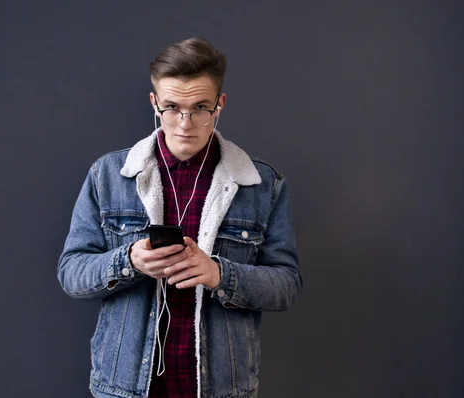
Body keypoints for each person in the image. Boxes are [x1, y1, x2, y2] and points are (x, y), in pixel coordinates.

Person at [57, 37, 303, 398]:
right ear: (155, 103)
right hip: (125, 386)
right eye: (172, 107)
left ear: (220, 104)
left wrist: (220, 274)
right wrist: (129, 261)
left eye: (200, 107)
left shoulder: (262, 185)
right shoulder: (108, 175)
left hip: (221, 387)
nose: (185, 123)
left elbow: (287, 285)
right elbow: (71, 273)